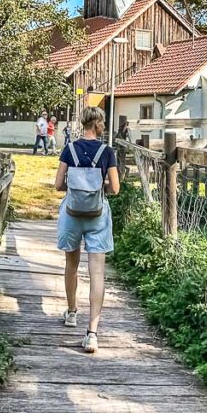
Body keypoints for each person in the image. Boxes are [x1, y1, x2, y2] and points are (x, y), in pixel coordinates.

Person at [54, 106, 119, 354]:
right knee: (97, 273)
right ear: (99, 124)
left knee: (71, 265)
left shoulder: (69, 149)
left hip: (72, 215)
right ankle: (92, 333)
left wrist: (75, 187)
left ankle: (72, 313)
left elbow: (58, 185)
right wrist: (98, 186)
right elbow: (115, 188)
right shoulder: (107, 152)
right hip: (97, 216)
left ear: (83, 124)